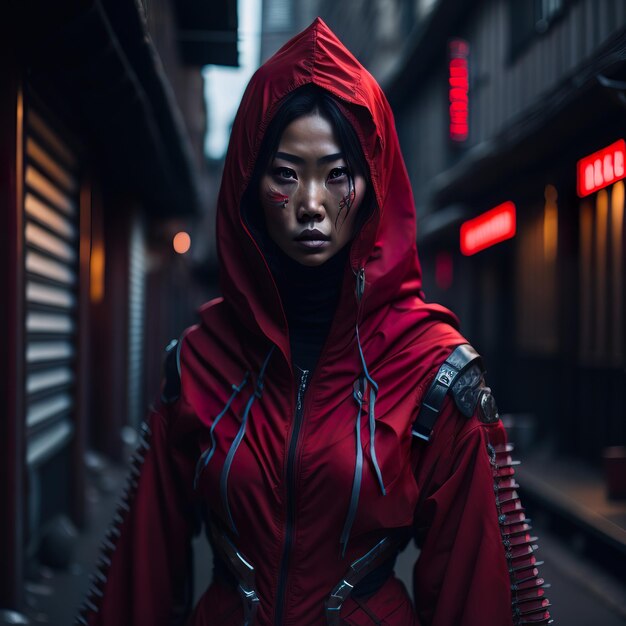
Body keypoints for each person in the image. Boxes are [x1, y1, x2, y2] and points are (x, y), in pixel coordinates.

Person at [77, 18, 552, 626]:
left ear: (373, 184)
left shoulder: (433, 367)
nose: (311, 204)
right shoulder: (199, 359)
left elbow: (477, 592)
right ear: (250, 183)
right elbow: (139, 581)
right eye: (285, 173)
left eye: (336, 174)